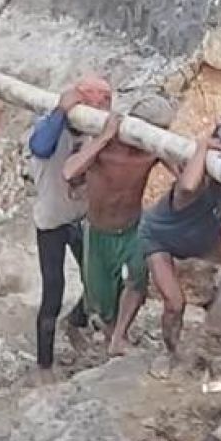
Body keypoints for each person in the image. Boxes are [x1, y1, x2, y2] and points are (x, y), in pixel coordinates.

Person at [61, 94, 176, 355]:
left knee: (138, 278)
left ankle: (119, 338)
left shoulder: (152, 151)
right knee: (99, 297)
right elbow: (69, 172)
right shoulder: (104, 145)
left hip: (134, 227)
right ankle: (104, 331)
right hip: (98, 229)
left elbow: (182, 175)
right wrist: (103, 137)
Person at [141, 115, 221, 365]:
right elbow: (186, 188)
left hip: (203, 236)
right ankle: (173, 353)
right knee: (175, 303)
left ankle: (216, 318)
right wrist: (203, 148)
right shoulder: (200, 177)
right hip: (161, 239)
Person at [26, 75, 112, 380]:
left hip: (80, 217)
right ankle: (44, 365)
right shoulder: (51, 129)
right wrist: (62, 111)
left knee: (96, 283)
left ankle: (75, 324)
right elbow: (39, 147)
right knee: (53, 292)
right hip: (51, 221)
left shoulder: (93, 132)